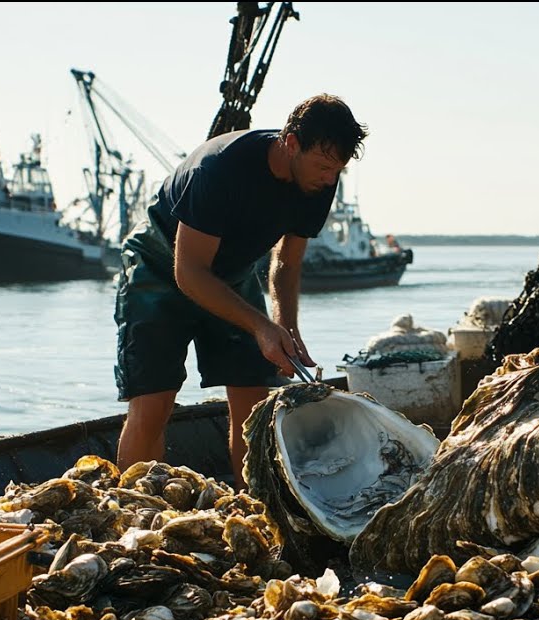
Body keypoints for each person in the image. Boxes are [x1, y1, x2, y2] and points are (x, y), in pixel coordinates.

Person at [114, 94, 367, 492]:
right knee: (154, 403)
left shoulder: (319, 182)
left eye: (337, 170)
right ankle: (134, 510)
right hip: (161, 267)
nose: (328, 179)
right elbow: (189, 272)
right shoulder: (220, 169)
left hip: (233, 273)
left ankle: (251, 506)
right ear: (291, 142)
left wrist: (285, 329)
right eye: (322, 166)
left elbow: (286, 264)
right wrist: (261, 327)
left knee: (253, 399)